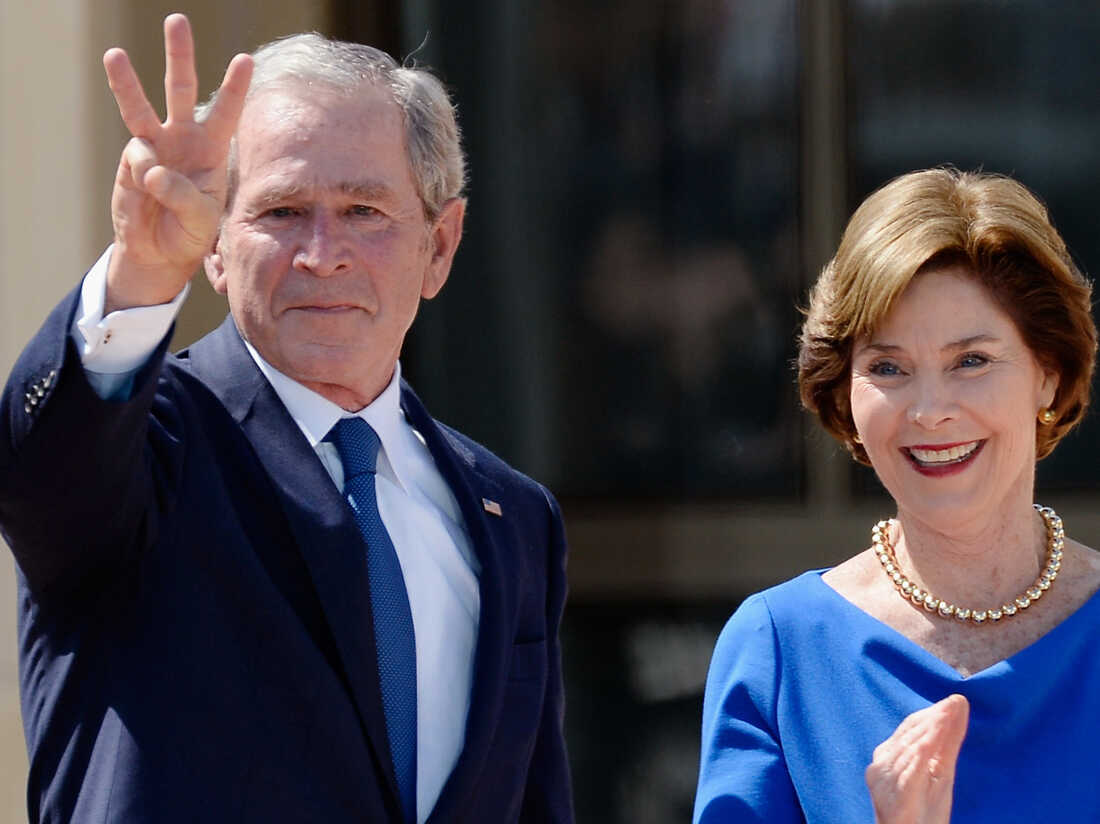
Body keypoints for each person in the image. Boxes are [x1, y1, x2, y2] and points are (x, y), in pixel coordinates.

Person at [0, 14, 573, 824]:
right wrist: (139, 273)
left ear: (440, 247)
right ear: (215, 248)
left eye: (365, 211)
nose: (321, 252)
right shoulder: (150, 446)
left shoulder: (513, 516)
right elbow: (41, 477)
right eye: (280, 212)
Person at [693, 167, 1100, 822]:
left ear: (1048, 376)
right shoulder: (779, 652)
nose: (930, 410)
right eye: (888, 368)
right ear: (845, 395)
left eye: (971, 360)